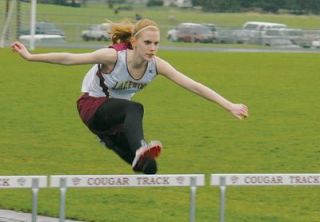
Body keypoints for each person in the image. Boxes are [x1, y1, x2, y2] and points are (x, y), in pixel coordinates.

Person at [11, 19, 248, 175]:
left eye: (156, 43)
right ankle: (138, 147)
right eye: (147, 43)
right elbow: (69, 58)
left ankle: (114, 142)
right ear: (134, 42)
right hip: (92, 106)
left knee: (149, 168)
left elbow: (193, 85)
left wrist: (229, 105)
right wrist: (31, 57)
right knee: (134, 109)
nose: (152, 48)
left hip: (113, 121)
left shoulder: (157, 65)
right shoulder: (113, 57)